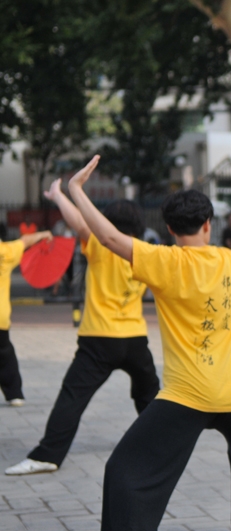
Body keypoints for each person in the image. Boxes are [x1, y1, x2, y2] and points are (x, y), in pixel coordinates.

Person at [67, 155, 231, 531]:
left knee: (122, 469)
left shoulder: (165, 262)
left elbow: (110, 238)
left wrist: (74, 191)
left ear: (169, 228)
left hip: (190, 395)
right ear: (209, 225)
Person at [5, 165, 161, 476]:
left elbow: (79, 223)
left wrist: (59, 196)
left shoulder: (103, 247)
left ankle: (48, 454)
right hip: (135, 340)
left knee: (72, 397)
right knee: (149, 396)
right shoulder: (146, 252)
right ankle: (161, 446)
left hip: (99, 340)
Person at [0, 229, 53, 406]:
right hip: (1, 318)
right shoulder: (5, 252)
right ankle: (14, 394)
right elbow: (25, 240)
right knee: (5, 355)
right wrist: (43, 234)